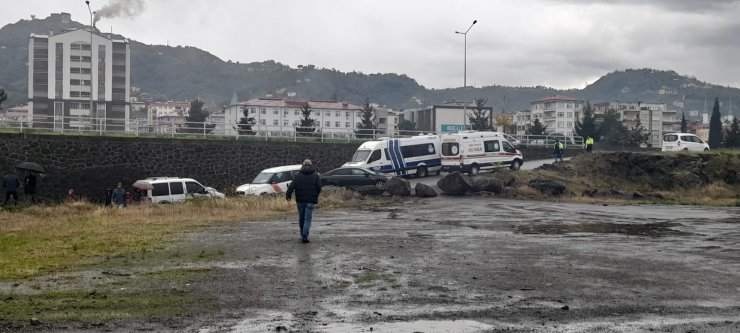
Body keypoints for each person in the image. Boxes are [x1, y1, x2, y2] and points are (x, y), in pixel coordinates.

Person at [286, 159, 322, 243]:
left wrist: (288, 196)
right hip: (310, 200)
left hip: (300, 200)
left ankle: (302, 233)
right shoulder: (315, 175)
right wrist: (316, 195)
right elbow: (319, 187)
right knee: (307, 218)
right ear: (311, 165)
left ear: (303, 165)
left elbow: (291, 186)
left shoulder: (297, 175)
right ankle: (305, 236)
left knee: (301, 217)